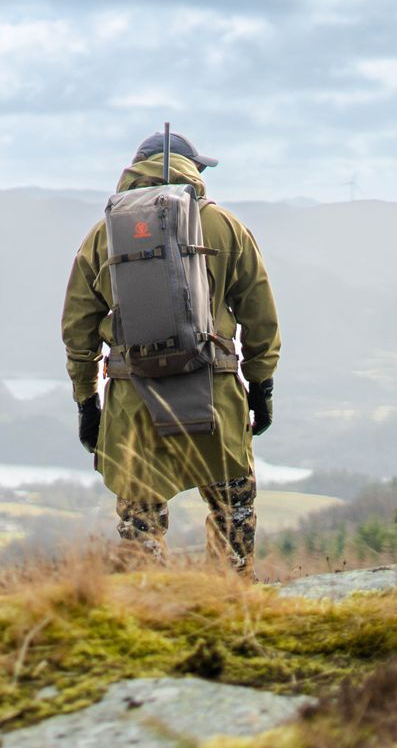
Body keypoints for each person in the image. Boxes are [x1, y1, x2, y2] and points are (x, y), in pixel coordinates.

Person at [60, 132, 280, 569]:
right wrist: (261, 387)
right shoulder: (225, 226)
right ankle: (231, 596)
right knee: (233, 512)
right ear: (191, 171)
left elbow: (77, 329)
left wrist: (87, 402)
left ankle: (149, 598)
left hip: (133, 402)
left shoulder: (104, 234)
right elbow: (261, 318)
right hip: (215, 396)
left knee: (140, 526)